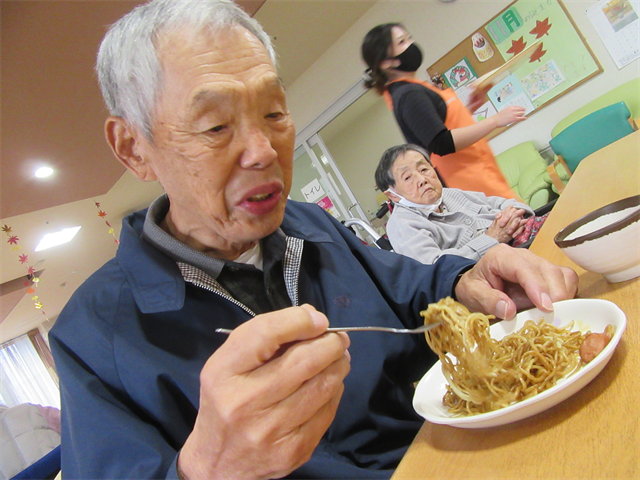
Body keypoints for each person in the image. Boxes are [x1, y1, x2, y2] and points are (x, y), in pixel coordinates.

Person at [48, 1, 578, 479]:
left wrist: (468, 276)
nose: (263, 150)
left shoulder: (307, 225)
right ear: (133, 148)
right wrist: (204, 472)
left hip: (467, 449)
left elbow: (409, 288)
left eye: (274, 112)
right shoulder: (92, 334)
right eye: (214, 126)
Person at [361, 23, 526, 199]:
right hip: (468, 184)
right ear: (386, 62)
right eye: (402, 42)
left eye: (409, 37)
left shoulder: (414, 88)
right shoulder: (409, 94)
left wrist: (470, 108)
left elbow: (440, 126)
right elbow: (441, 142)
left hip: (479, 174)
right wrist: (495, 121)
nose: (411, 44)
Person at [375, 144, 545, 265]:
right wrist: (492, 239)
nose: (422, 180)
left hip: (525, 235)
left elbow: (501, 203)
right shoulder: (402, 224)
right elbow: (436, 266)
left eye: (424, 169)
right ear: (393, 195)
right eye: (407, 178)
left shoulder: (448, 194)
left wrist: (515, 215)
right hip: (499, 266)